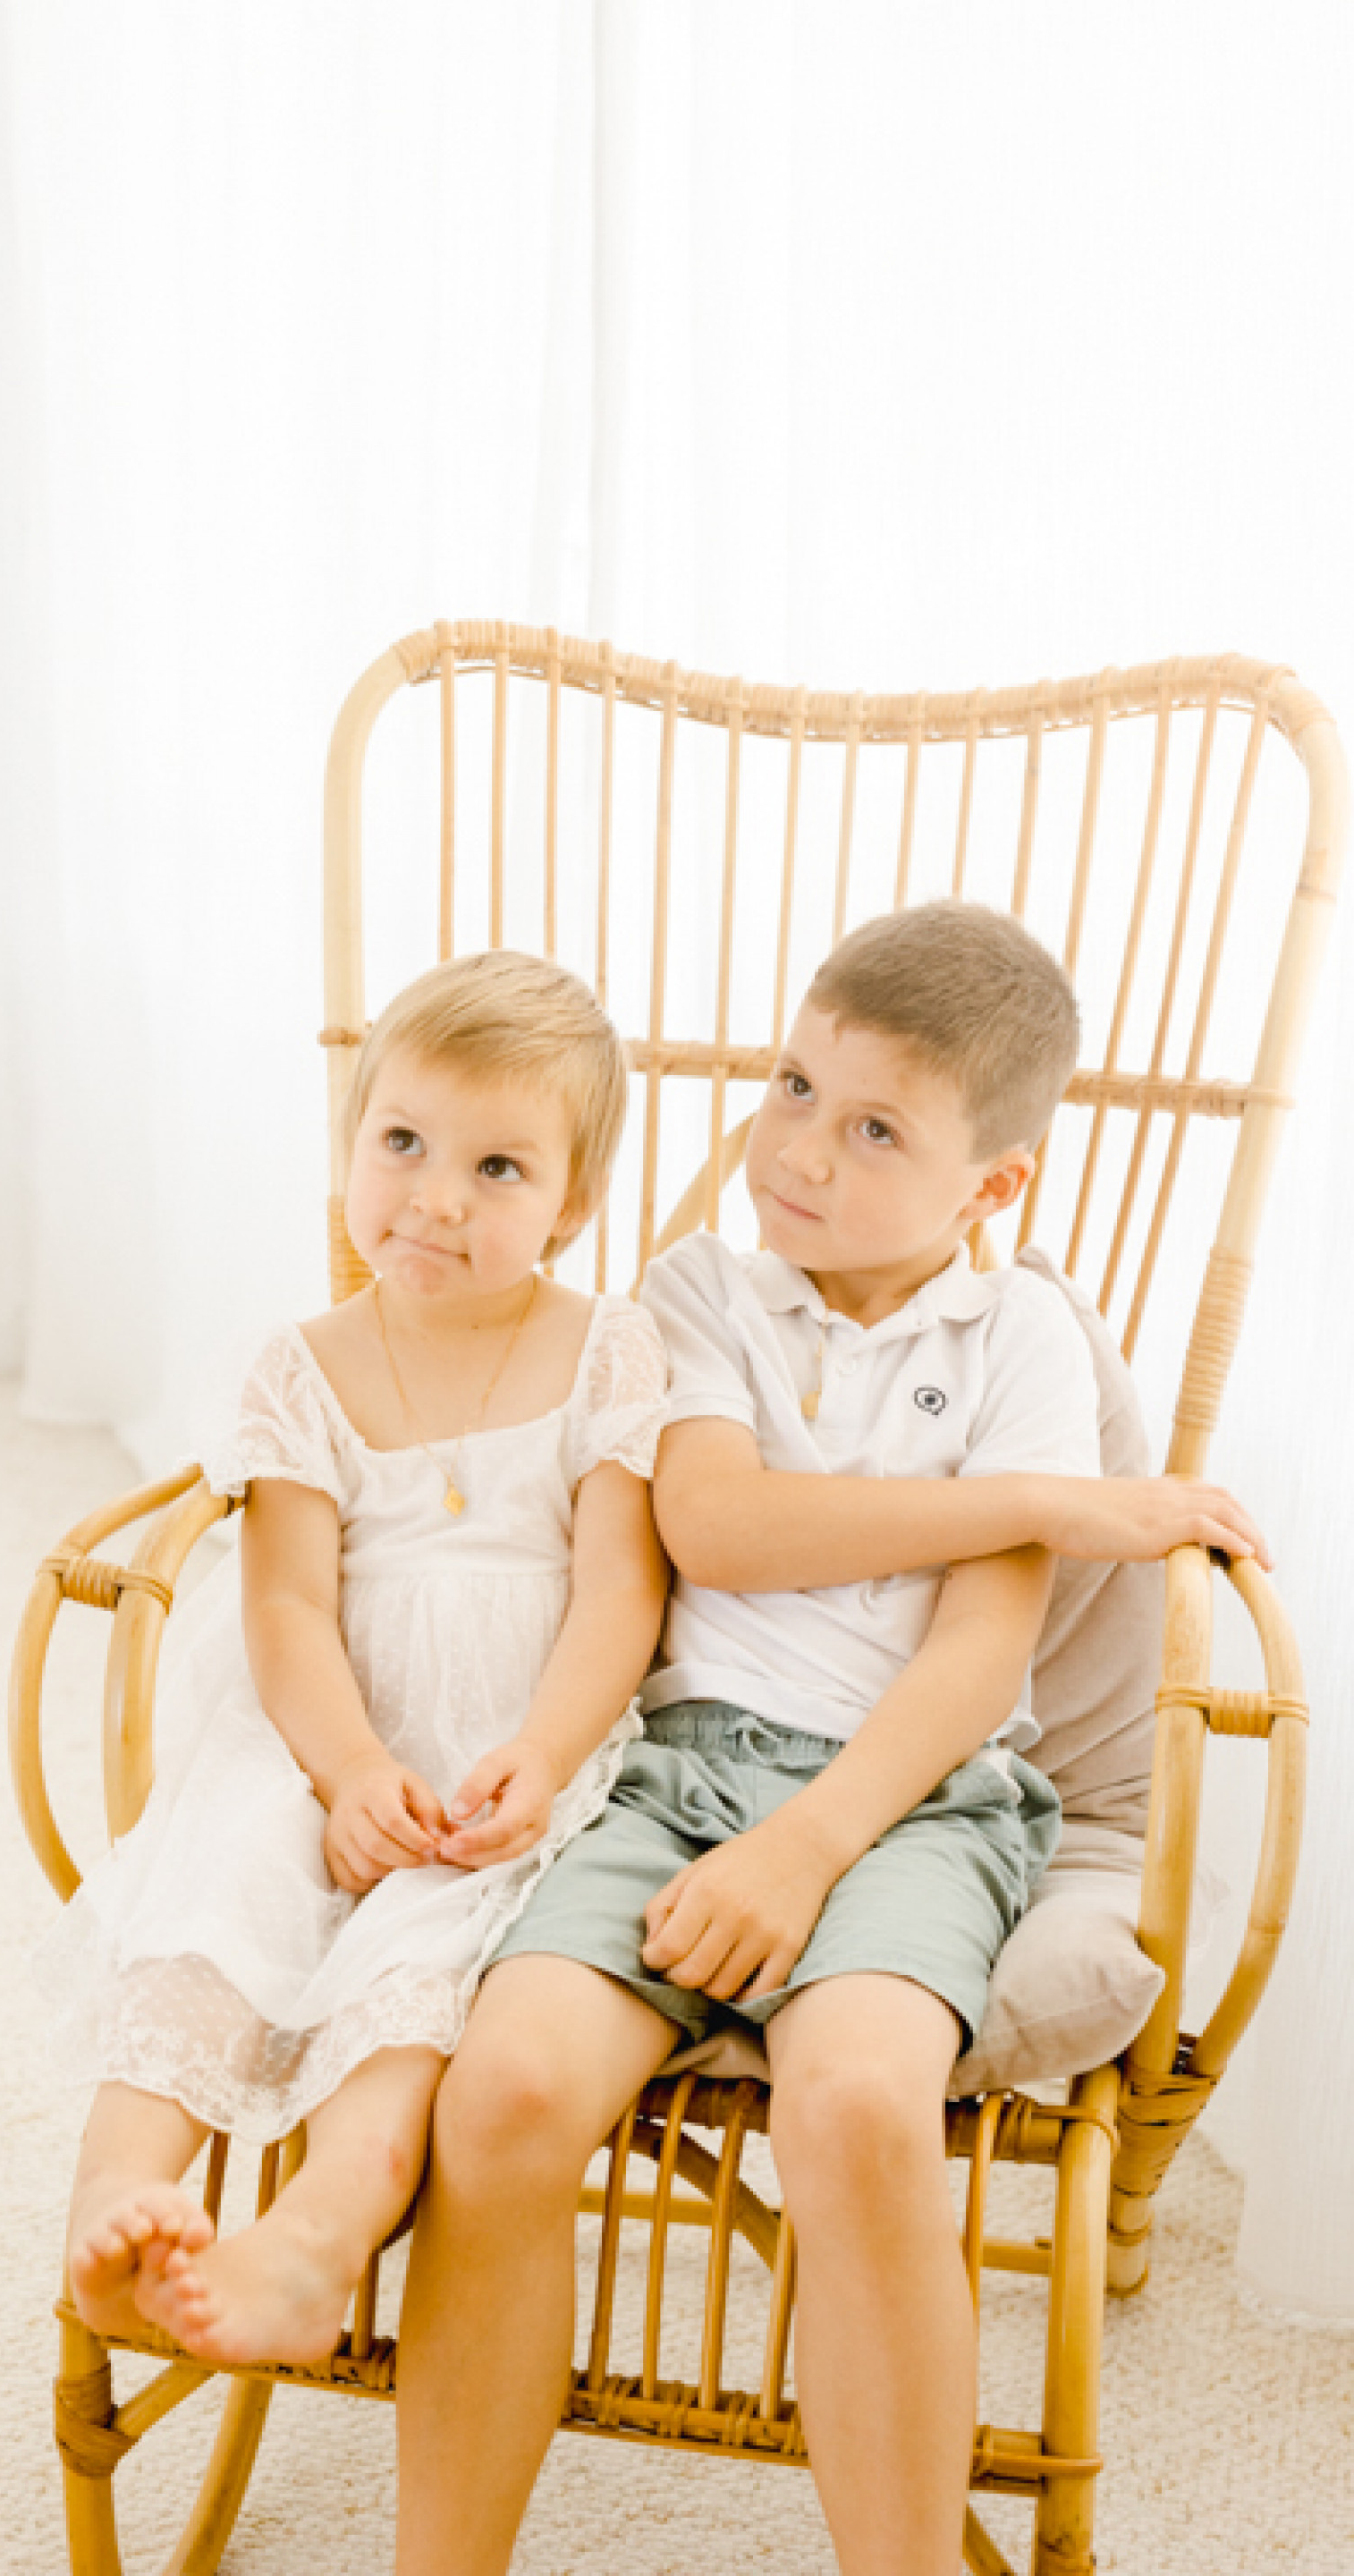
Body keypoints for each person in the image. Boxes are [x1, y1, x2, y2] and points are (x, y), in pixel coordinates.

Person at [392, 902, 1270, 2576]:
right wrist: (1035, 1501)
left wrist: (804, 1849)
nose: (797, 1148)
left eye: (875, 1127)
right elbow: (716, 1529)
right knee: (500, 2097)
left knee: (861, 2107)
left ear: (989, 1185)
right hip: (669, 1772)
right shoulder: (697, 1292)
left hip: (921, 1802)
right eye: (794, 1083)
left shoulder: (1027, 1342)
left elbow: (978, 1651)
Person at [40, 949, 668, 2369]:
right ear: (351, 1145)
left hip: (519, 1745)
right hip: (326, 1731)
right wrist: (348, 1771)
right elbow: (283, 1612)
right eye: (402, 1144)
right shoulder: (302, 1365)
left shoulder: (606, 1350)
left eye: (499, 1168)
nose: (437, 1196)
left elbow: (623, 1595)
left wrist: (546, 1759)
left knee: (421, 1972)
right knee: (218, 1899)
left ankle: (318, 2237)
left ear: (571, 1205)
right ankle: (119, 2207)